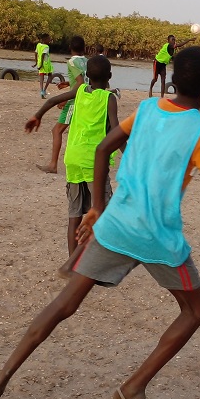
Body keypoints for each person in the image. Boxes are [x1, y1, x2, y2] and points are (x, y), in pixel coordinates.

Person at [0, 46, 200, 399]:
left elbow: (103, 147)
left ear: (172, 77)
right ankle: (132, 390)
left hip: (115, 225)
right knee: (197, 309)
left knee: (64, 304)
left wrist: (96, 206)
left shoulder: (145, 110)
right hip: (158, 237)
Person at [25, 56, 119, 256]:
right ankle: (94, 260)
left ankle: (72, 261)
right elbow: (117, 131)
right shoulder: (109, 98)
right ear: (110, 76)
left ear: (87, 77)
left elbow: (52, 100)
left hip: (73, 159)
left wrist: (37, 115)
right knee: (102, 212)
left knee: (74, 215)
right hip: (95, 164)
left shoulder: (81, 91)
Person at [40, 36, 87, 174]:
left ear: (70, 48)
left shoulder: (72, 62)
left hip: (75, 100)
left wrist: (66, 99)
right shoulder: (86, 61)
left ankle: (53, 165)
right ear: (84, 48)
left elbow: (80, 83)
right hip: (86, 99)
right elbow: (85, 80)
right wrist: (68, 83)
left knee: (57, 130)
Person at [34, 33, 53, 98]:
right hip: (46, 63)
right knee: (50, 75)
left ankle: (41, 91)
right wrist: (42, 65)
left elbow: (36, 53)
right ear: (45, 40)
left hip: (40, 62)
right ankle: (44, 90)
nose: (50, 40)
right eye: (49, 39)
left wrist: (36, 63)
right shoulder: (46, 47)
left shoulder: (38, 45)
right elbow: (43, 55)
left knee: (41, 76)